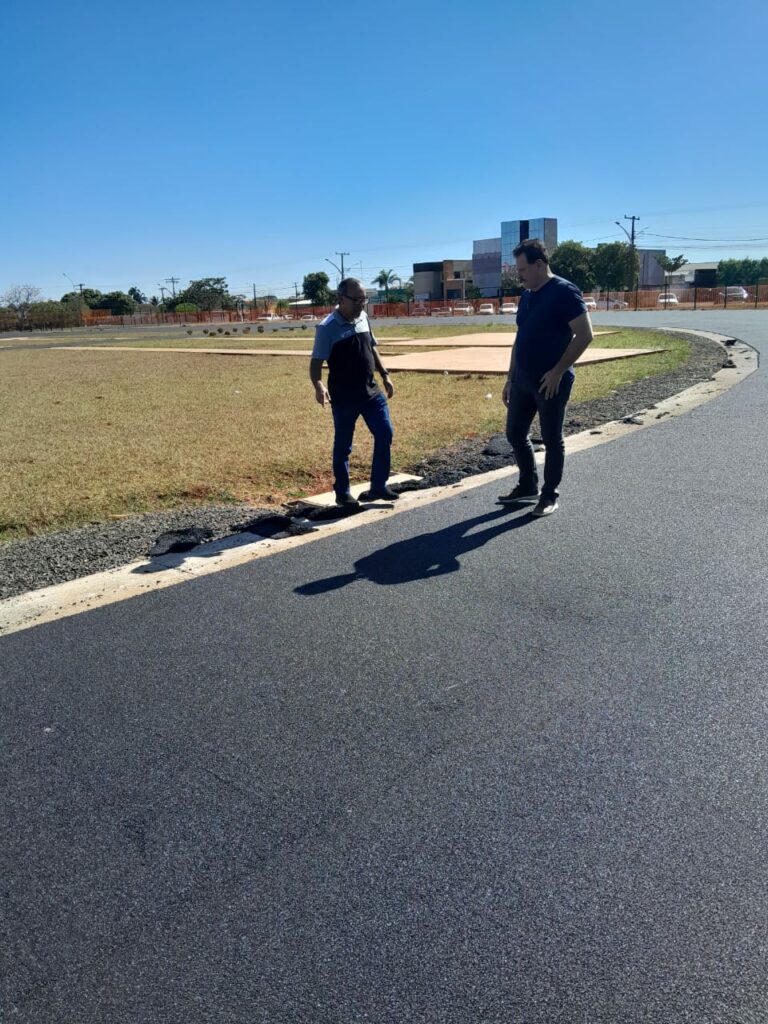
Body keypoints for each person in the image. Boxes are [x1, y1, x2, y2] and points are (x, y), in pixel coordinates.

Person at [499, 238, 594, 517]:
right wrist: (510, 377)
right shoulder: (527, 296)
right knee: (515, 433)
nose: (519, 276)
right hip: (523, 380)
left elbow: (585, 334)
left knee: (552, 438)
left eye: (522, 270)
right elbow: (520, 339)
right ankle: (528, 484)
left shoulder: (564, 292)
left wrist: (558, 371)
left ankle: (549, 494)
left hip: (550, 382)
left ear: (539, 264)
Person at [310, 278, 398, 507]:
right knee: (343, 446)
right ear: (341, 299)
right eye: (356, 299)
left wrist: (385, 374)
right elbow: (315, 363)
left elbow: (372, 347)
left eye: (364, 299)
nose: (362, 304)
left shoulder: (364, 318)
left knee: (385, 433)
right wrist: (318, 385)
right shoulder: (327, 327)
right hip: (344, 397)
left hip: (371, 392)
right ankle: (343, 493)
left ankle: (378, 486)